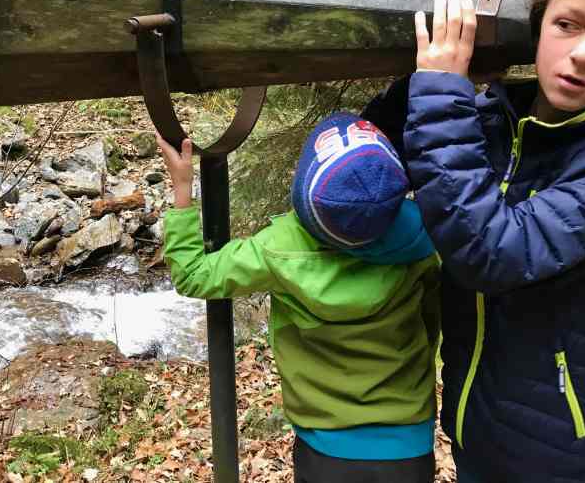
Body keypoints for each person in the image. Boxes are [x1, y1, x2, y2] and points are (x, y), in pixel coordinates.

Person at [362, 0, 585, 483]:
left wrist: (443, 91)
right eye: (568, 25)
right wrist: (437, 83)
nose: (583, 54)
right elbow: (379, 144)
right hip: (480, 428)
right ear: (538, 25)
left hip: (575, 456)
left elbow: (494, 254)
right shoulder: (493, 117)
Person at [156, 112, 440, 483]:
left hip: (325, 447)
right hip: (409, 444)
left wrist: (183, 191)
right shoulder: (426, 236)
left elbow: (193, 274)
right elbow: (432, 318)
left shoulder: (280, 248)